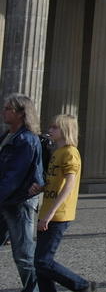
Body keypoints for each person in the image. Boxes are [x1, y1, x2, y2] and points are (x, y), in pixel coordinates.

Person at [32, 113, 95, 292]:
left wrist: (50, 214)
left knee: (43, 261)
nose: (49, 130)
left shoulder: (70, 153)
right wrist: (42, 187)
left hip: (58, 214)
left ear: (65, 130)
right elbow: (56, 181)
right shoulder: (57, 152)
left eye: (54, 127)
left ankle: (82, 285)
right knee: (40, 263)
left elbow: (69, 185)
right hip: (49, 211)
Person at [0, 94, 45, 292]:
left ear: (21, 113)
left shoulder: (27, 140)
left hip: (19, 202)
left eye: (8, 108)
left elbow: (14, 176)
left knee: (23, 254)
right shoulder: (7, 136)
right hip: (7, 200)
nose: (4, 111)